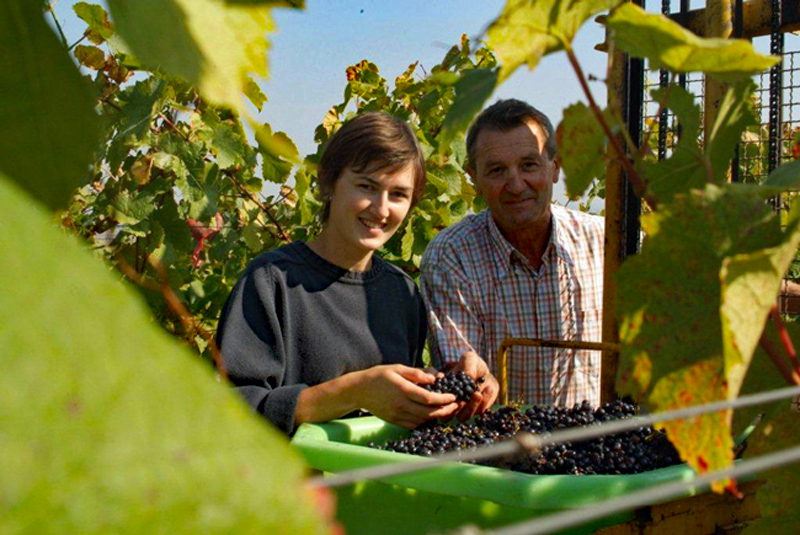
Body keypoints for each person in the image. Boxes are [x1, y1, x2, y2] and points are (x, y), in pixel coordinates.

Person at [217, 112, 461, 434]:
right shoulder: (270, 283)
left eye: (398, 194)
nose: (382, 208)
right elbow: (234, 411)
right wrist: (355, 391)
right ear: (330, 182)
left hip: (375, 482)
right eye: (367, 186)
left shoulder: (403, 294)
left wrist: (447, 387)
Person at [421, 99, 605, 412]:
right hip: (499, 452)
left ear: (555, 167)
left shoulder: (605, 241)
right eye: (497, 171)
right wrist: (472, 380)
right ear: (473, 178)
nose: (516, 185)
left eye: (529, 165)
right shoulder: (451, 256)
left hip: (602, 449)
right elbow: (463, 377)